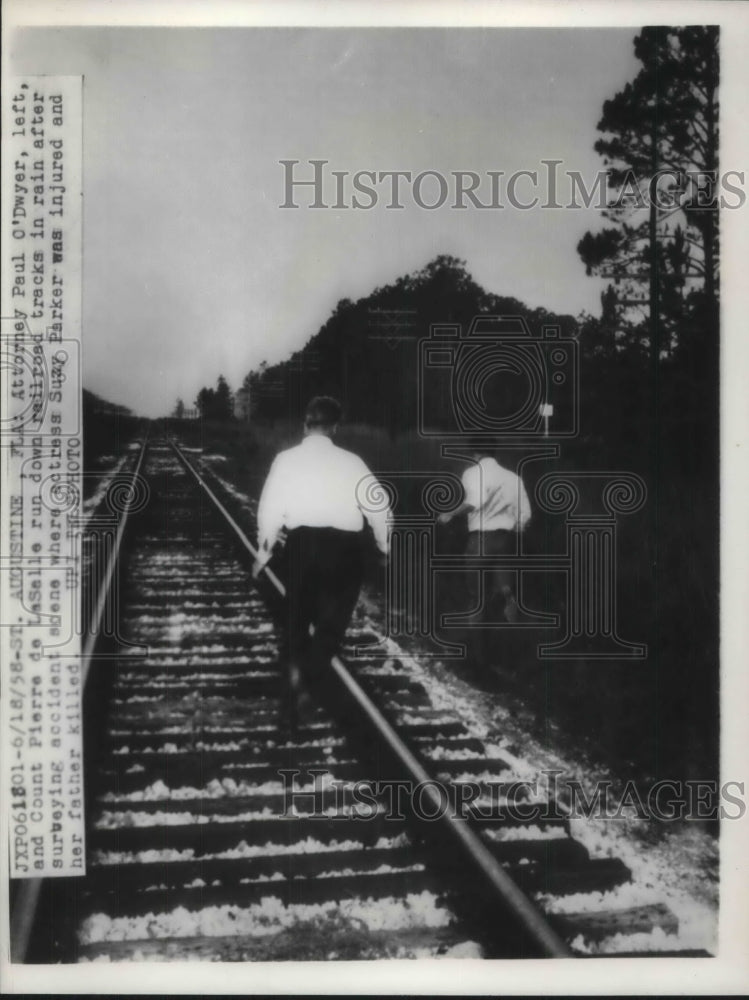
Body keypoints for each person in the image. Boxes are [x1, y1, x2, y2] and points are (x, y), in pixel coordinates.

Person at [253, 396, 390, 731]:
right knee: (330, 627)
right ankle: (310, 680)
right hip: (343, 551)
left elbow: (269, 509)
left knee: (296, 622)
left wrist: (264, 553)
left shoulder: (285, 460)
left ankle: (292, 692)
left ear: (305, 423)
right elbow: (380, 508)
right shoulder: (353, 462)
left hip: (301, 546)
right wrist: (385, 548)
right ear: (335, 427)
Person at [438, 448, 531, 651]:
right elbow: (525, 514)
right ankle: (511, 639)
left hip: (480, 540)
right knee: (503, 586)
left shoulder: (472, 473)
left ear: (476, 454)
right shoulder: (513, 478)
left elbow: (474, 501)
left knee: (477, 597)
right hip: (505, 539)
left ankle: (478, 654)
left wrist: (450, 514)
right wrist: (512, 528)